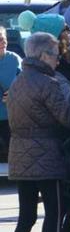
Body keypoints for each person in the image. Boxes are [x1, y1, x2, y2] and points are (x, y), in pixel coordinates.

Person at [7, 33, 70, 232]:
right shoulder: (48, 83)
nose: (58, 61)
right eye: (55, 55)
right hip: (47, 155)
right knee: (54, 214)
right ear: (43, 56)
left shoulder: (18, 81)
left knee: (25, 217)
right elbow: (67, 118)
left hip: (19, 154)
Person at [0, 28, 23, 161]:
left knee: (13, 154)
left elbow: (26, 81)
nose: (3, 41)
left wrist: (16, 92)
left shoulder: (15, 59)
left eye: (3, 38)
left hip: (11, 117)